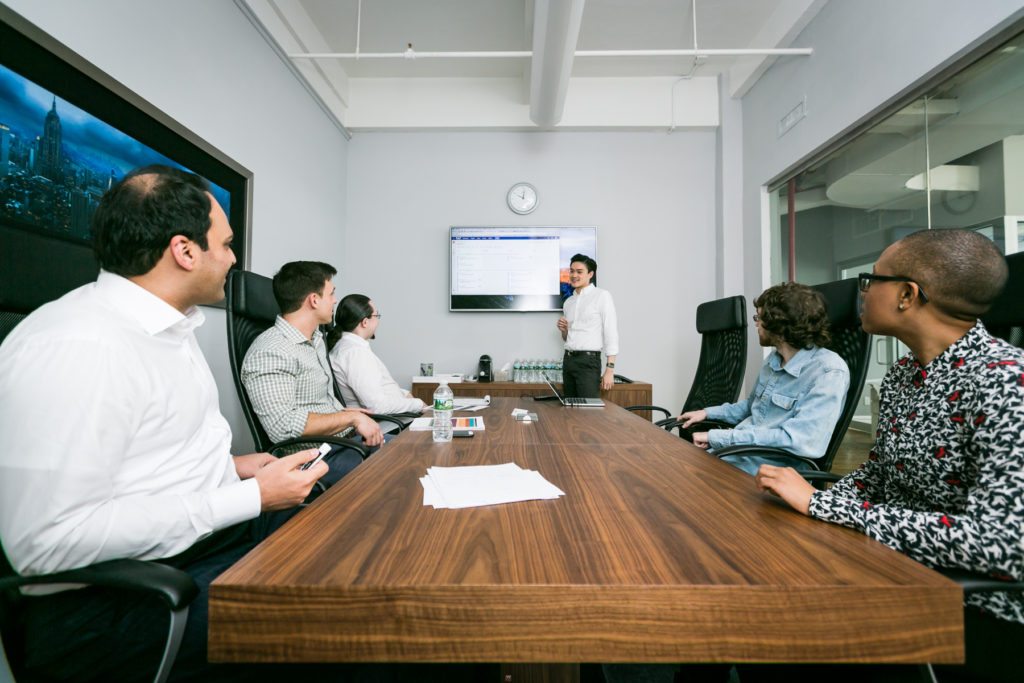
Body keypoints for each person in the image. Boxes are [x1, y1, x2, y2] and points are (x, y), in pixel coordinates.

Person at [0, 166, 334, 681]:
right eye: (224, 244)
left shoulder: (168, 331)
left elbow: (139, 462)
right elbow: (49, 542)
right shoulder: (77, 345)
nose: (233, 258)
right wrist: (251, 497)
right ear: (184, 250)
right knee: (360, 611)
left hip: (199, 545)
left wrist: (235, 467)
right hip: (118, 606)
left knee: (354, 533)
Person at [756, 229, 1024, 683]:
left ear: (906, 294)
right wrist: (808, 499)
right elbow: (881, 473)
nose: (863, 292)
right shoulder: (905, 375)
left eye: (871, 280)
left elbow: (1002, 544)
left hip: (965, 609)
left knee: (771, 633)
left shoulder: (1004, 381)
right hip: (891, 566)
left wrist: (823, 504)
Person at [676, 282, 849, 476]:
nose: (756, 324)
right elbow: (751, 407)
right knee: (671, 468)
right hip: (736, 456)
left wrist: (719, 437)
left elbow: (800, 440)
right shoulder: (773, 361)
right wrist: (707, 413)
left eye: (759, 318)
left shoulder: (828, 372)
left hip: (768, 472)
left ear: (779, 324)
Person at [241, 261, 383, 453]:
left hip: (345, 442)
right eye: (331, 293)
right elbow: (283, 426)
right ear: (314, 300)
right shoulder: (270, 351)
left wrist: (346, 414)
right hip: (318, 458)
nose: (335, 300)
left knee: (415, 449)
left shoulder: (315, 340)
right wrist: (350, 418)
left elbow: (315, 404)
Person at [328, 294, 426, 418]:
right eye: (376, 315)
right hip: (388, 426)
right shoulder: (355, 354)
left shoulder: (347, 347)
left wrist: (404, 394)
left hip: (393, 420)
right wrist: (418, 404)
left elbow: (375, 388)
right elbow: (377, 406)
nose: (378, 320)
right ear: (364, 322)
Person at [556, 253, 619, 398]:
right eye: (571, 271)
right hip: (568, 360)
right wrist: (564, 330)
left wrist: (610, 370)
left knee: (588, 412)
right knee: (569, 408)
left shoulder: (602, 296)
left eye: (579, 272)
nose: (573, 275)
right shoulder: (568, 302)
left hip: (588, 362)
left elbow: (611, 333)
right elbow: (567, 338)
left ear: (590, 274)